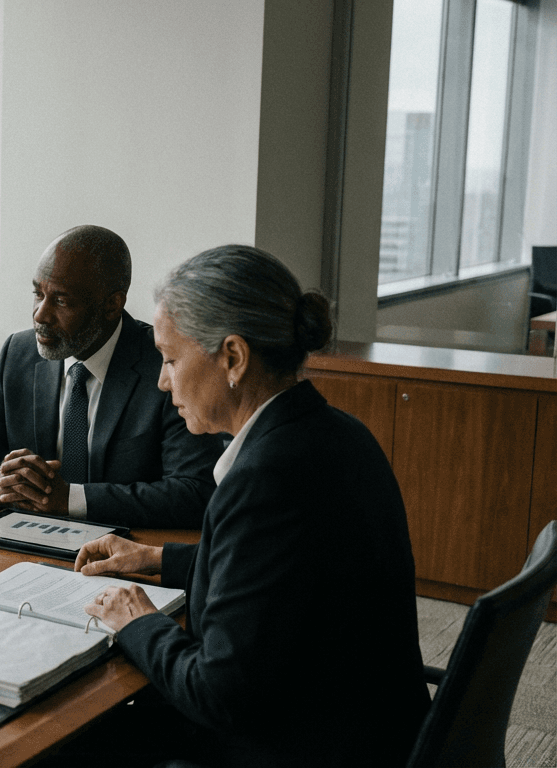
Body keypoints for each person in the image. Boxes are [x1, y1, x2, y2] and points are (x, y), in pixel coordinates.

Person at [76, 245, 429, 767]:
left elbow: (217, 695)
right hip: (371, 729)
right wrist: (156, 558)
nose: (162, 381)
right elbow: (284, 571)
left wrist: (137, 620)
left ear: (234, 358)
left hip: (301, 747)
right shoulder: (339, 433)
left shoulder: (265, 480)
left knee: (71, 743)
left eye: (170, 359)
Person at [0, 225, 221, 528]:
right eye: (38, 294)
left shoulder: (166, 364)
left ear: (112, 305)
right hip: (25, 538)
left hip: (126, 546)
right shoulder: (19, 354)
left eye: (61, 301)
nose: (40, 315)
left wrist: (70, 500)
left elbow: (195, 491)